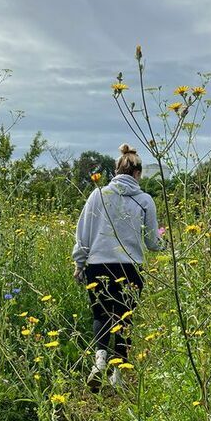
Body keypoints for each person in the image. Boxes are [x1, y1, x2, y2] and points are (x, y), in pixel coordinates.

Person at [72, 143, 164, 388]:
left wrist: (79, 264)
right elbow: (152, 242)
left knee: (101, 314)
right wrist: (165, 245)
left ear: (115, 172)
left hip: (98, 265)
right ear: (138, 173)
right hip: (129, 267)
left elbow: (84, 233)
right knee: (124, 318)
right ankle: (118, 377)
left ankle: (99, 361)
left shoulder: (98, 195)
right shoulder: (145, 200)